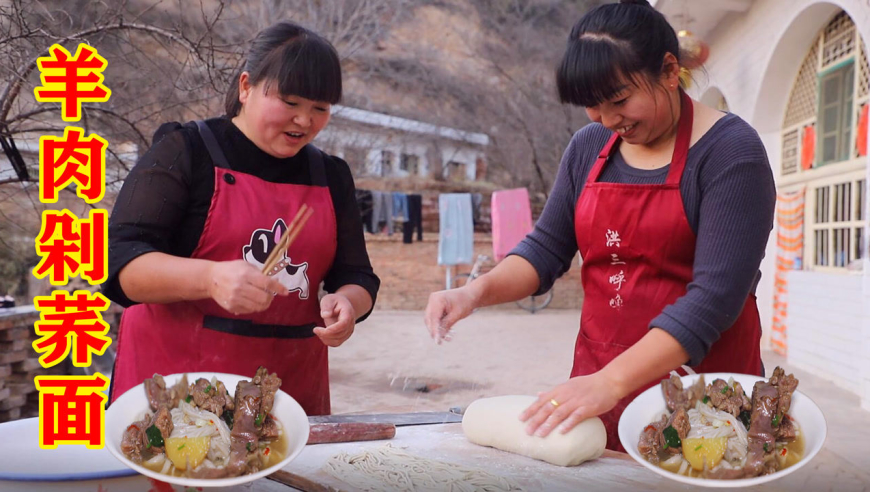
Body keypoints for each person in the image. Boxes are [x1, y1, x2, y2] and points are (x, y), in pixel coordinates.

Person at [424, 0, 775, 451]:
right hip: (599, 383)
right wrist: (473, 293)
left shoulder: (730, 153)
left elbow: (713, 300)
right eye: (593, 106)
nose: (609, 121)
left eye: (619, 101)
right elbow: (546, 249)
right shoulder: (589, 146)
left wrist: (611, 381)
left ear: (670, 71)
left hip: (705, 390)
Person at [105, 21, 379, 416]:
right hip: (178, 386)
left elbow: (357, 274)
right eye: (290, 101)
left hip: (288, 391)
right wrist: (210, 278)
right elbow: (120, 263)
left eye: (320, 108)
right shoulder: (186, 150)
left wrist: (349, 304)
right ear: (246, 86)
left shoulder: (331, 175)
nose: (304, 120)